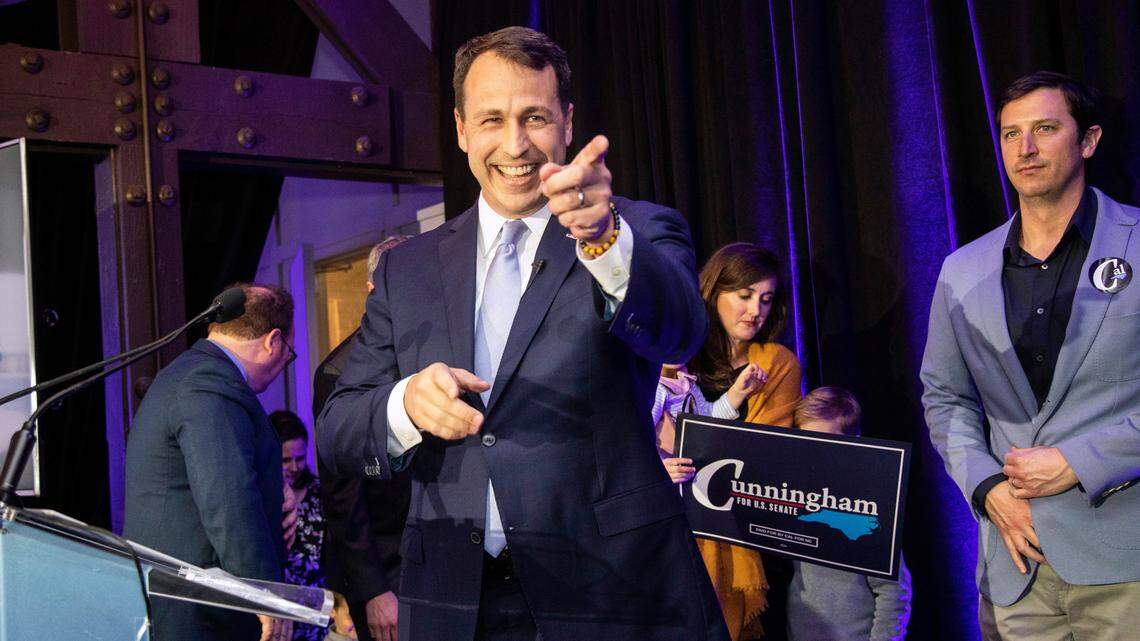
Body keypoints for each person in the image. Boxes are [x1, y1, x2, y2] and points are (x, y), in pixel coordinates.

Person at [318, 25, 726, 641]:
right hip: (455, 602)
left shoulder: (635, 227)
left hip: (613, 593)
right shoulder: (408, 268)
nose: (515, 144)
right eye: (491, 120)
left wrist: (604, 240)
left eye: (534, 116)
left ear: (566, 121)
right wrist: (405, 406)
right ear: (460, 129)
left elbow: (680, 334)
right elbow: (340, 431)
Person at [921, 70, 1140, 640]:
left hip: (1126, 563)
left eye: (1045, 128)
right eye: (1011, 133)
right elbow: (945, 399)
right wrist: (987, 488)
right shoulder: (961, 270)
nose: (1027, 148)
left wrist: (1082, 460)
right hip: (1015, 565)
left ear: (1087, 141)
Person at [123, 283, 296, 641]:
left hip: (190, 602)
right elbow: (228, 498)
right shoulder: (209, 382)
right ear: (272, 340)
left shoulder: (193, 373)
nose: (284, 363)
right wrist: (265, 592)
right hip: (202, 611)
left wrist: (276, 491)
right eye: (289, 353)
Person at [656, 243, 802, 640]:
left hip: (743, 531)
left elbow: (766, 449)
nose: (756, 310)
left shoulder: (776, 362)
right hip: (672, 527)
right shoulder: (676, 356)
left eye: (766, 299)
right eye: (744, 295)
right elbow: (638, 430)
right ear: (713, 292)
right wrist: (657, 467)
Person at [313, 236, 410, 641]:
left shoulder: (436, 350)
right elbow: (343, 494)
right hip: (385, 565)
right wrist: (374, 590)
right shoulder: (339, 372)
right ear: (373, 290)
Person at [786, 386, 911, 641]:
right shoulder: (791, 497)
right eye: (807, 441)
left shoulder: (866, 507)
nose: (816, 452)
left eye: (826, 442)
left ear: (852, 443)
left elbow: (894, 592)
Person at [270, 409, 328, 641]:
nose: (295, 467)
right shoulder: (261, 496)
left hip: (316, 612)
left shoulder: (320, 492)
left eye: (300, 458)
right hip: (274, 611)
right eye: (285, 460)